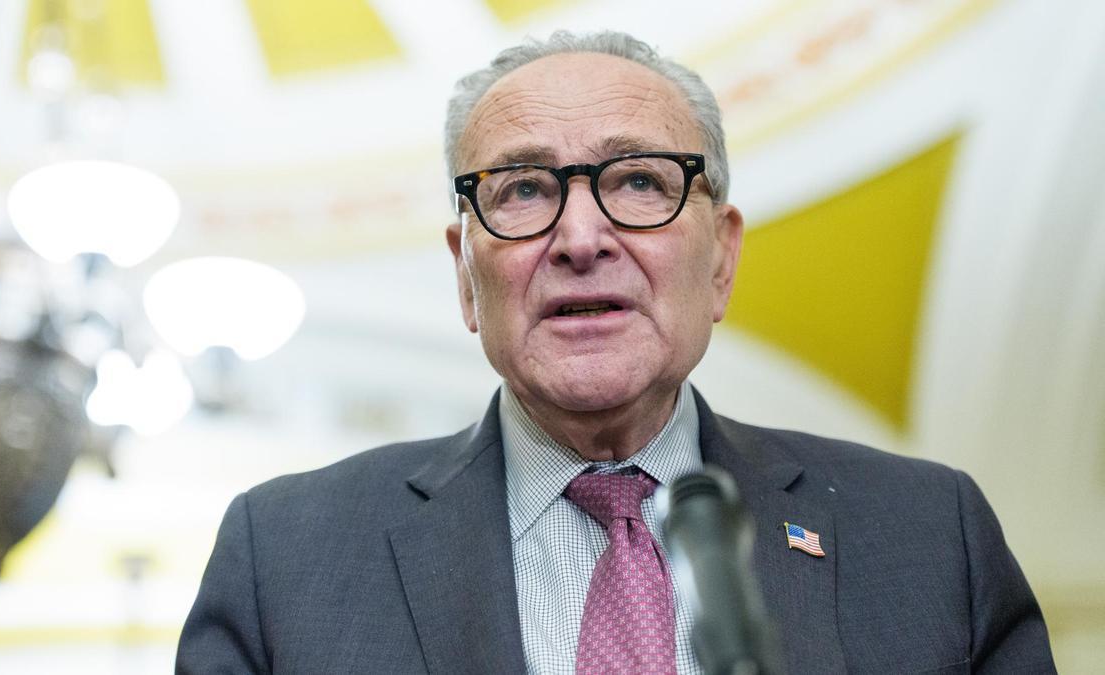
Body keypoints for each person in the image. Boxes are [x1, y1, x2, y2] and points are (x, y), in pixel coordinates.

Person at [176, 31, 1055, 674]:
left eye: (638, 179)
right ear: (464, 274)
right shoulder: (287, 557)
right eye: (523, 189)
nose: (581, 236)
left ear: (721, 258)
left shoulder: (931, 538)